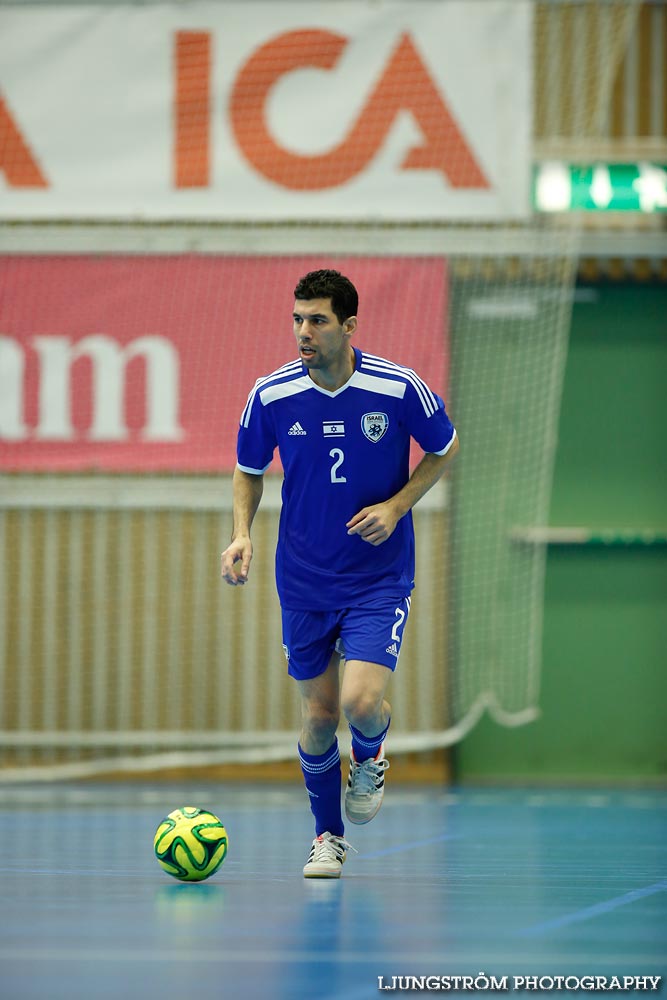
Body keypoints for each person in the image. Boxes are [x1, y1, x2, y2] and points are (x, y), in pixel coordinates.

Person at [221, 269, 458, 878]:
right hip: (303, 578)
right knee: (321, 717)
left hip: (378, 577)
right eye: (298, 318)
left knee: (360, 701)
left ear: (349, 325)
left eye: (317, 320)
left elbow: (445, 447)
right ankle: (327, 838)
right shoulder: (270, 395)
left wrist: (397, 505)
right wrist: (242, 533)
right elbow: (249, 468)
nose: (303, 331)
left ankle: (373, 753)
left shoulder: (398, 387)